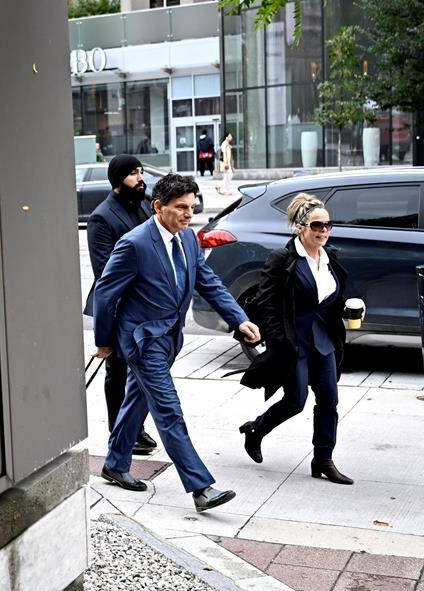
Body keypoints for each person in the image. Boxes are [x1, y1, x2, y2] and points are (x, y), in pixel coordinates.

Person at [92, 174, 261, 511]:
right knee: (168, 410)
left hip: (170, 338)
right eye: (181, 207)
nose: (189, 213)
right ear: (159, 207)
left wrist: (239, 319)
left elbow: (208, 282)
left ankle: (115, 463)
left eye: (192, 205)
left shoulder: (187, 240)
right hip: (142, 340)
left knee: (137, 400)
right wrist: (105, 341)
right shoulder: (134, 243)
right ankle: (201, 487)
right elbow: (105, 294)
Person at [238, 194, 353, 484]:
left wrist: (348, 309)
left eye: (328, 225)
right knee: (295, 401)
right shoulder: (284, 260)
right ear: (301, 226)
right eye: (317, 225)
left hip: (324, 341)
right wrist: (279, 339)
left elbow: (329, 300)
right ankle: (256, 430)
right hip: (294, 343)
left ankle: (323, 459)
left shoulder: (330, 259)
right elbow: (265, 303)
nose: (323, 230)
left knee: (329, 400)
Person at [84, 155, 158, 456]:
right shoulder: (102, 217)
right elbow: (104, 272)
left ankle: (134, 427)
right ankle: (120, 432)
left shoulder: (143, 202)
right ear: (117, 180)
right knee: (118, 371)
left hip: (143, 302)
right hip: (117, 304)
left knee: (139, 370)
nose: (140, 178)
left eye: (140, 172)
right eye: (132, 174)